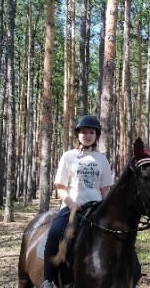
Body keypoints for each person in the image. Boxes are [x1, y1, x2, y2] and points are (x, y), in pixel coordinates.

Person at [41, 115, 114, 288]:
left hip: (96, 208)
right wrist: (71, 203)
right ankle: (48, 280)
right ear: (78, 134)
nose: (87, 135)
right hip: (73, 207)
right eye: (83, 132)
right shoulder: (68, 157)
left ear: (96, 135)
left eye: (91, 132)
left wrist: (107, 208)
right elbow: (60, 187)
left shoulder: (101, 159)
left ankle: (130, 275)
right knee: (54, 233)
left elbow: (105, 189)